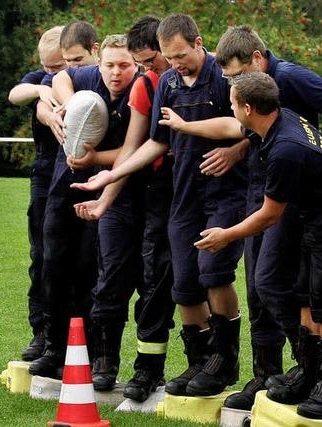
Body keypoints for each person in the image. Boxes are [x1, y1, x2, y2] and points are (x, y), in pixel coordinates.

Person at [158, 25, 322, 410]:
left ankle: (311, 372)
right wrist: (191, 129)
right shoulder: (261, 105)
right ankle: (270, 373)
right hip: (271, 189)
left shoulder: (290, 78)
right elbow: (236, 127)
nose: (231, 85)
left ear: (256, 61)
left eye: (235, 77)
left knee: (285, 287)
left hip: (305, 201)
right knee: (260, 286)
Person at [73, 14, 248, 398]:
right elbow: (156, 143)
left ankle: (225, 357)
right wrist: (110, 176)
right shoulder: (167, 83)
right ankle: (198, 363)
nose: (175, 64)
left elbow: (255, 126)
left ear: (199, 43)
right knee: (184, 284)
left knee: (214, 271)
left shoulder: (225, 78)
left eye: (181, 55)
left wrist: (236, 151)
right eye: (169, 57)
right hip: (183, 197)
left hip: (225, 194)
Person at [192, 72, 322, 419]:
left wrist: (225, 235)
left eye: (232, 104)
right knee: (302, 293)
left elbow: (268, 216)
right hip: (315, 213)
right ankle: (307, 373)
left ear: (247, 108)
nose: (231, 109)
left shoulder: (285, 150)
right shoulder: (275, 121)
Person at [72, 16, 176, 402]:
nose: (119, 72)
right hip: (119, 193)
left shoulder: (161, 81)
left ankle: (149, 371)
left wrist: (98, 163)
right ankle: (104, 362)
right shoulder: (130, 86)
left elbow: (141, 148)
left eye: (128, 65)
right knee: (111, 276)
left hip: (160, 193)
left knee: (155, 284)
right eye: (111, 65)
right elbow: (54, 77)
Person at [27, 21, 103, 380]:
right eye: (67, 61)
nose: (72, 68)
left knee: (90, 269)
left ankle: (93, 352)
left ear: (96, 50)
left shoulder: (111, 78)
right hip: (61, 184)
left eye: (79, 60)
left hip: (101, 187)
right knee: (53, 265)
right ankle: (54, 347)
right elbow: (50, 90)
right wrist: (58, 109)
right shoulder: (70, 78)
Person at [7, 26, 66, 362]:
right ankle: (40, 332)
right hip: (44, 173)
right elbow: (16, 94)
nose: (50, 73)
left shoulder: (84, 78)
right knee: (41, 256)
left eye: (57, 68)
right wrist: (39, 89)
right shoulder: (39, 79)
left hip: (79, 171)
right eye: (45, 67)